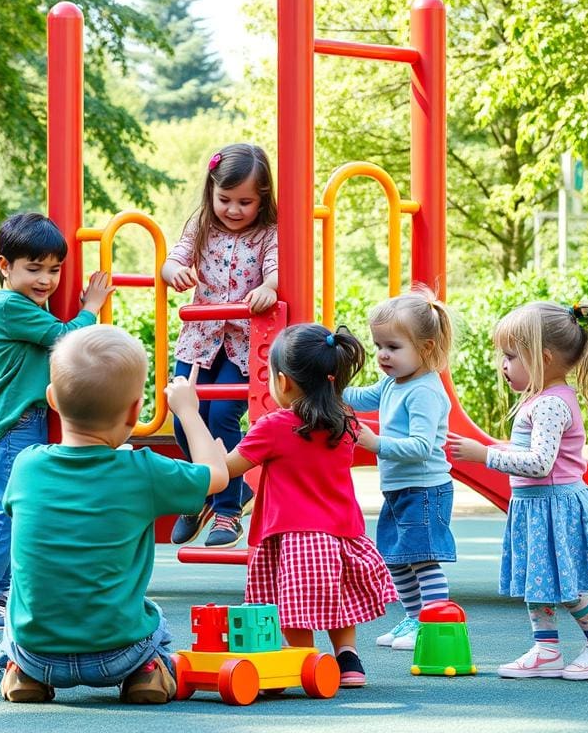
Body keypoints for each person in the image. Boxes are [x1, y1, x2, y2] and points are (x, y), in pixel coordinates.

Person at [0, 324, 228, 704]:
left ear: (52, 399)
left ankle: (22, 674)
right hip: (118, 654)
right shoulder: (143, 471)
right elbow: (216, 476)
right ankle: (146, 673)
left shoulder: (26, 466)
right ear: (136, 410)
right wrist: (188, 412)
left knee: (16, 607)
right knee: (155, 618)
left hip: (37, 653)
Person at [0, 212, 115, 630]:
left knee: (21, 508)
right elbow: (67, 339)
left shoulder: (28, 303)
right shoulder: (10, 306)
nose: (46, 279)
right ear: (4, 266)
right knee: (7, 511)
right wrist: (90, 309)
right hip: (14, 423)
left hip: (30, 421)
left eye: (54, 269)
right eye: (34, 268)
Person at [447, 301, 588, 680]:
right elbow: (531, 454)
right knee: (537, 579)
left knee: (566, 583)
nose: (503, 364)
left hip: (554, 504)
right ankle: (546, 649)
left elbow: (540, 463)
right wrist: (497, 451)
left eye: (511, 356)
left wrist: (485, 454)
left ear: (542, 357)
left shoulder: (551, 405)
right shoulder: (541, 400)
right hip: (536, 506)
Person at [225, 323, 396, 687]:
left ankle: (308, 659)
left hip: (291, 537)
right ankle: (348, 659)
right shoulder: (346, 422)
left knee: (292, 605)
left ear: (283, 382)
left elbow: (228, 469)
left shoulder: (275, 425)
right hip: (339, 534)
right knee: (338, 596)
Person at [164, 143, 278, 548]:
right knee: (181, 417)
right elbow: (172, 260)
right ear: (210, 192)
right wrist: (174, 270)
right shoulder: (200, 227)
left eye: (244, 202)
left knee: (221, 417)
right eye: (224, 199)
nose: (232, 209)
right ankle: (202, 491)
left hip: (241, 344)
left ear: (262, 199)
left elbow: (276, 272)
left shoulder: (268, 235)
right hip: (198, 341)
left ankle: (228, 510)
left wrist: (268, 287)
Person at [343, 285, 455, 651]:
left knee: (422, 560)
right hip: (400, 489)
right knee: (397, 560)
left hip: (424, 490)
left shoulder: (423, 390)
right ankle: (413, 618)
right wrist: (328, 388)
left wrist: (376, 444)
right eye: (378, 346)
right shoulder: (394, 382)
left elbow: (423, 447)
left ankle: (432, 623)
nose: (382, 355)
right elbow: (362, 397)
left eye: (393, 347)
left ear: (425, 349)